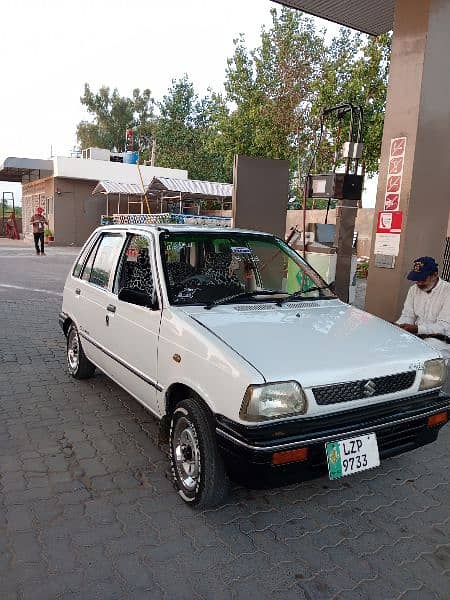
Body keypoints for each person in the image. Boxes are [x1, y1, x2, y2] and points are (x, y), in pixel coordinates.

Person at [396, 256, 450, 357]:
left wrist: (417, 328)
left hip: (442, 340)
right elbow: (408, 315)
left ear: (434, 275)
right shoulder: (413, 289)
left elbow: (443, 327)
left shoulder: (447, 291)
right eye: (416, 279)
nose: (419, 283)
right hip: (417, 336)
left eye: (423, 279)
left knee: (419, 355)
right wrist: (399, 326)